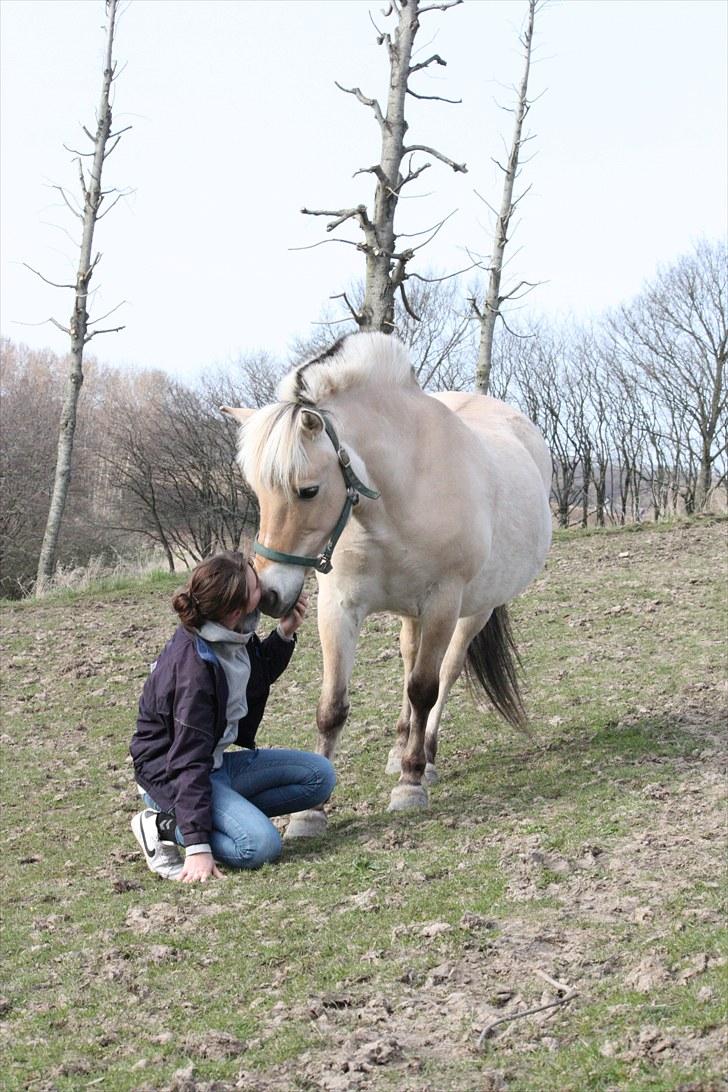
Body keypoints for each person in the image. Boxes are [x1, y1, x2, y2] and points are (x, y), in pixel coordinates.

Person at [129, 550, 335, 883]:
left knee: (319, 777)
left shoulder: (230, 634)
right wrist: (196, 846)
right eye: (257, 588)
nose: (264, 589)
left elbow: (255, 675)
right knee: (259, 846)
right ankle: (161, 827)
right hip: (172, 776)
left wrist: (284, 632)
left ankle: (226, 815)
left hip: (215, 765)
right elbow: (186, 761)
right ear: (236, 610)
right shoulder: (193, 672)